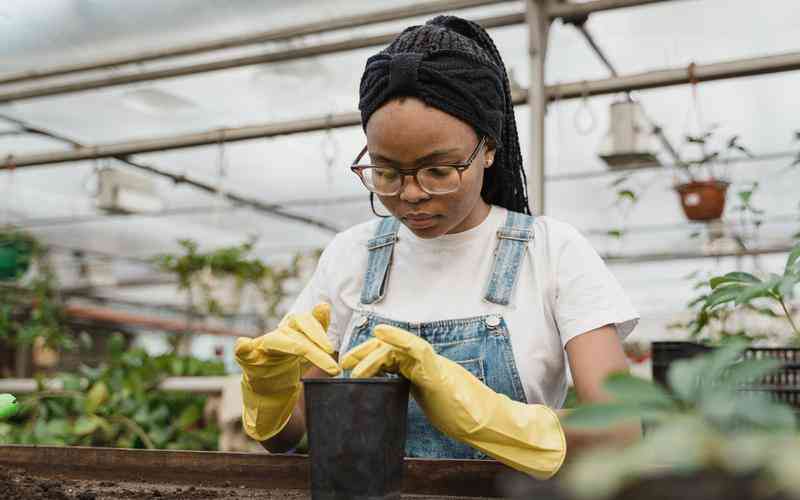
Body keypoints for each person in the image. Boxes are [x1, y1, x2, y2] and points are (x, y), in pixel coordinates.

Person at [234, 15, 639, 479]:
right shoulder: (352, 256)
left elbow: (620, 431)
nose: (410, 194)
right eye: (386, 172)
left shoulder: (552, 253)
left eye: (439, 171)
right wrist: (271, 393)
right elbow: (286, 437)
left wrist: (481, 413)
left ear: (488, 147)